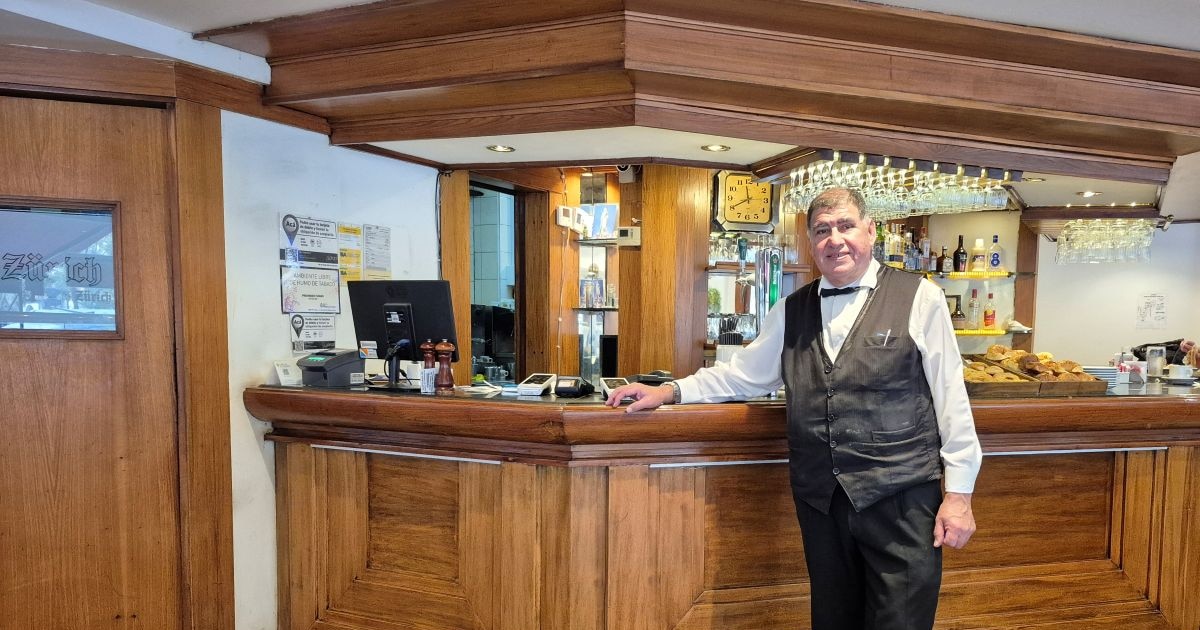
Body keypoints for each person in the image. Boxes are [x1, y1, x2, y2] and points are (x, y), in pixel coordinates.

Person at [606, 187, 981, 630]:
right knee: (832, 620)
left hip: (901, 496)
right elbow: (743, 375)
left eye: (845, 226)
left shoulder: (920, 297)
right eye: (822, 231)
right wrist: (670, 391)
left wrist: (959, 494)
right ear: (810, 242)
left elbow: (951, 396)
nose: (834, 240)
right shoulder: (791, 309)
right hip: (822, 500)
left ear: (870, 230)